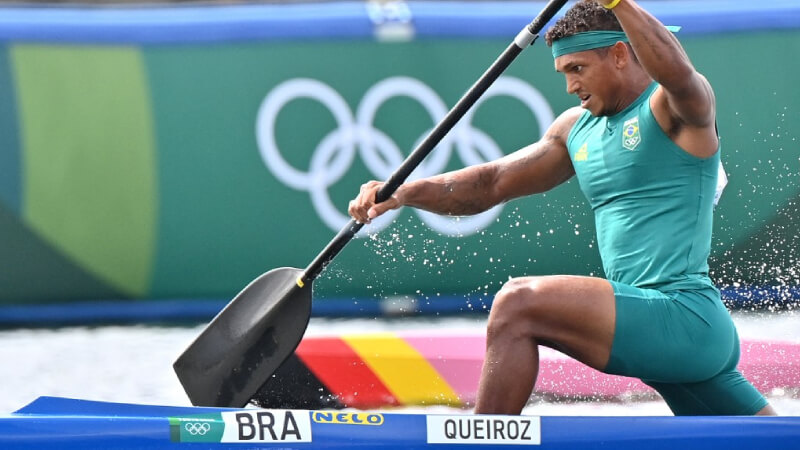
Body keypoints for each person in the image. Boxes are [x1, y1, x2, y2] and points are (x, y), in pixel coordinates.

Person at [348, 0, 776, 416]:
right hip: (655, 328)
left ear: (620, 55)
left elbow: (679, 74)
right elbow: (490, 184)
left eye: (577, 69)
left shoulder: (673, 109)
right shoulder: (575, 129)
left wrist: (618, 3)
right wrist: (403, 192)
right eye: (564, 73)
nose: (571, 86)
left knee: (517, 304)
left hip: (683, 318)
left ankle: (482, 439)